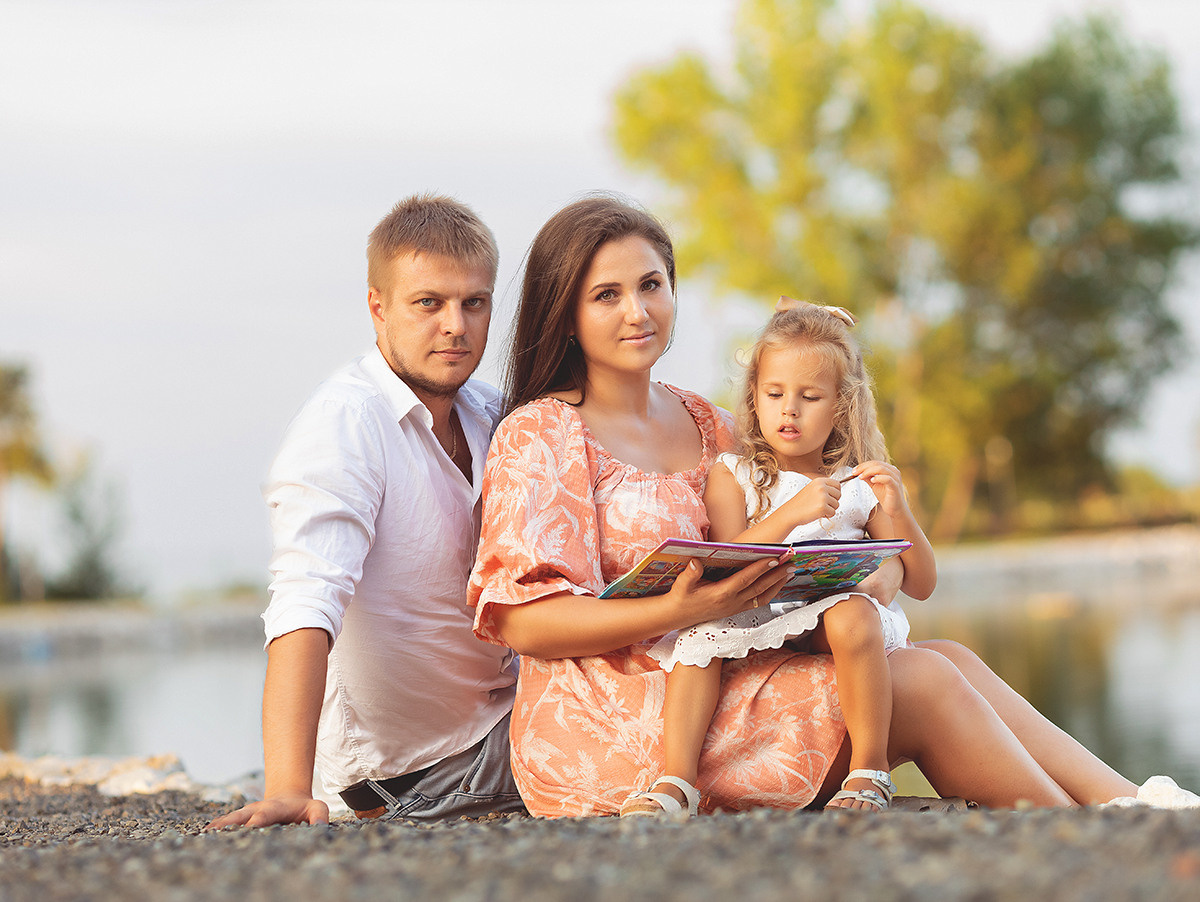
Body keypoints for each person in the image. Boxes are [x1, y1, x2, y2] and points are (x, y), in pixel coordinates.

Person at [466, 193, 1198, 818]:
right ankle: (1094, 837)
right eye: (607, 295)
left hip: (728, 667)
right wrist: (681, 611)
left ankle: (1135, 801)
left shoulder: (707, 421)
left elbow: (786, 537)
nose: (638, 310)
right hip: (614, 714)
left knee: (949, 655)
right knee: (925, 682)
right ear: (566, 313)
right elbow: (525, 623)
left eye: (652, 285)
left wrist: (866, 569)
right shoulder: (540, 432)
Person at [209, 195, 524, 829]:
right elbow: (305, 600)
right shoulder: (342, 427)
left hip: (508, 723)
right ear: (378, 307)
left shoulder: (492, 412)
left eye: (474, 303)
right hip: (417, 770)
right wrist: (289, 788)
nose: (455, 326)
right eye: (428, 303)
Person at [621, 299, 937, 816]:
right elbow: (731, 554)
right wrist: (791, 513)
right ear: (754, 398)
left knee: (853, 611)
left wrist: (899, 511)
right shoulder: (733, 474)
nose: (789, 409)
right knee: (697, 638)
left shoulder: (854, 484)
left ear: (839, 407)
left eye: (810, 396)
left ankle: (869, 771)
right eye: (775, 393)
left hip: (832, 622)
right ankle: (676, 782)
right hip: (760, 608)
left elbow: (923, 583)